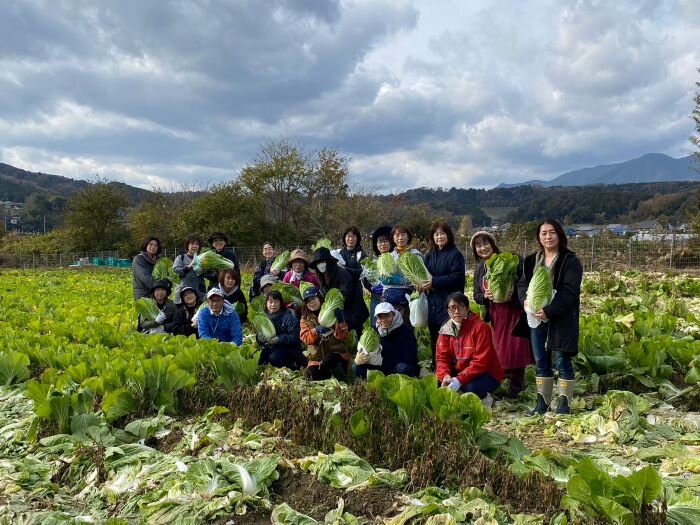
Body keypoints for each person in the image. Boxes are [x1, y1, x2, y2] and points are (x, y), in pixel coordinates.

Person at [517, 219, 583, 415]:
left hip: (561, 317)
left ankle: (564, 404)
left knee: (562, 359)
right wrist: (525, 303)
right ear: (539, 237)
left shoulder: (570, 261)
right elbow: (521, 285)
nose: (548, 236)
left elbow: (570, 292)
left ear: (559, 235)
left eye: (552, 232)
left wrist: (549, 310)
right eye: (543, 233)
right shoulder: (531, 261)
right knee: (541, 361)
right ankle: (542, 403)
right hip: (535, 318)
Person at [471, 231, 532, 398]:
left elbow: (523, 282)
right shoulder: (480, 270)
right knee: (500, 350)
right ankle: (503, 381)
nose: (482, 248)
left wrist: (512, 294)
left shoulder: (510, 259)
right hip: (496, 315)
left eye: (485, 243)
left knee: (516, 348)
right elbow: (476, 295)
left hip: (513, 311)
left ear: (493, 244)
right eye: (478, 245)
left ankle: (516, 387)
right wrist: (484, 296)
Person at [435, 292, 503, 407]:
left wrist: (459, 380)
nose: (456, 311)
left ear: (467, 308)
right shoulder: (445, 330)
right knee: (438, 382)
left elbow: (481, 362)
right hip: (461, 372)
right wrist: (445, 375)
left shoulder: (480, 328)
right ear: (448, 311)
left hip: (487, 373)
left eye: (460, 307)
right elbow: (442, 358)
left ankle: (487, 398)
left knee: (469, 387)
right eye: (452, 308)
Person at [420, 221, 466, 370]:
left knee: (450, 339)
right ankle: (438, 369)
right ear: (432, 237)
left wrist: (434, 282)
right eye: (436, 234)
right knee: (435, 338)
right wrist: (419, 284)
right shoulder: (429, 255)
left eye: (442, 233)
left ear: (448, 235)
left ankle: (453, 370)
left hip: (449, 305)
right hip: (432, 304)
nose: (439, 236)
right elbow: (423, 276)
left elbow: (457, 277)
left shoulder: (455, 254)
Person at [310, 247, 369, 341]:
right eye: (318, 263)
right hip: (340, 311)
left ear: (329, 262)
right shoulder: (321, 277)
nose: (320, 265)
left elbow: (345, 296)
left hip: (353, 311)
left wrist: (336, 315)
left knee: (355, 336)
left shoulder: (342, 273)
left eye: (323, 262)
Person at [353, 302, 418, 379]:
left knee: (403, 368)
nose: (384, 320)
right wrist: (358, 358)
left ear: (393, 315)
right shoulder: (373, 331)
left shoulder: (405, 331)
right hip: (380, 368)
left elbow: (409, 358)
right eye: (380, 317)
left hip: (396, 368)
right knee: (356, 367)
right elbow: (364, 350)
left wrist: (382, 362)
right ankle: (371, 386)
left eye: (387, 315)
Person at [299, 287, 350, 381]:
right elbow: (305, 338)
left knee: (329, 360)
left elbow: (344, 336)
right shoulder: (305, 319)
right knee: (310, 375)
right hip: (316, 360)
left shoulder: (332, 314)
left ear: (319, 298)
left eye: (313, 299)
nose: (311, 303)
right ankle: (328, 376)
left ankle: (344, 380)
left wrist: (341, 321)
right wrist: (316, 331)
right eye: (308, 301)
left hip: (336, 354)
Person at [380, 225, 423, 327]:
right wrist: (382, 280)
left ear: (408, 237)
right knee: (389, 329)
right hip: (388, 299)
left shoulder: (415, 255)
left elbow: (420, 278)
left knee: (405, 329)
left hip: (407, 299)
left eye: (403, 235)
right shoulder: (389, 256)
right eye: (397, 235)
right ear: (393, 238)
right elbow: (384, 278)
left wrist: (400, 281)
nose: (400, 238)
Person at [257, 291, 307, 369]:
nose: (273, 305)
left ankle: (293, 365)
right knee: (259, 359)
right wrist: (259, 338)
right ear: (266, 303)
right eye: (270, 302)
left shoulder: (288, 316)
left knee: (274, 358)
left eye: (276, 302)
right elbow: (260, 335)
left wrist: (279, 339)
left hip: (289, 348)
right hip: (272, 346)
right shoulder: (264, 318)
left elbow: (295, 337)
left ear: (280, 303)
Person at [363, 226, 394, 327]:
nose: (383, 244)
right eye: (379, 241)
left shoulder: (396, 259)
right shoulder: (372, 262)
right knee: (376, 326)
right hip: (376, 298)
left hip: (393, 299)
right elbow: (365, 279)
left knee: (393, 327)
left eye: (385, 241)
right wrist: (372, 288)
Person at [173, 234, 206, 305]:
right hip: (183, 294)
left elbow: (207, 274)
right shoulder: (180, 258)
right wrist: (189, 266)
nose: (194, 246)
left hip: (199, 294)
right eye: (192, 244)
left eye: (197, 244)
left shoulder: (202, 259)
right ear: (187, 246)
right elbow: (176, 272)